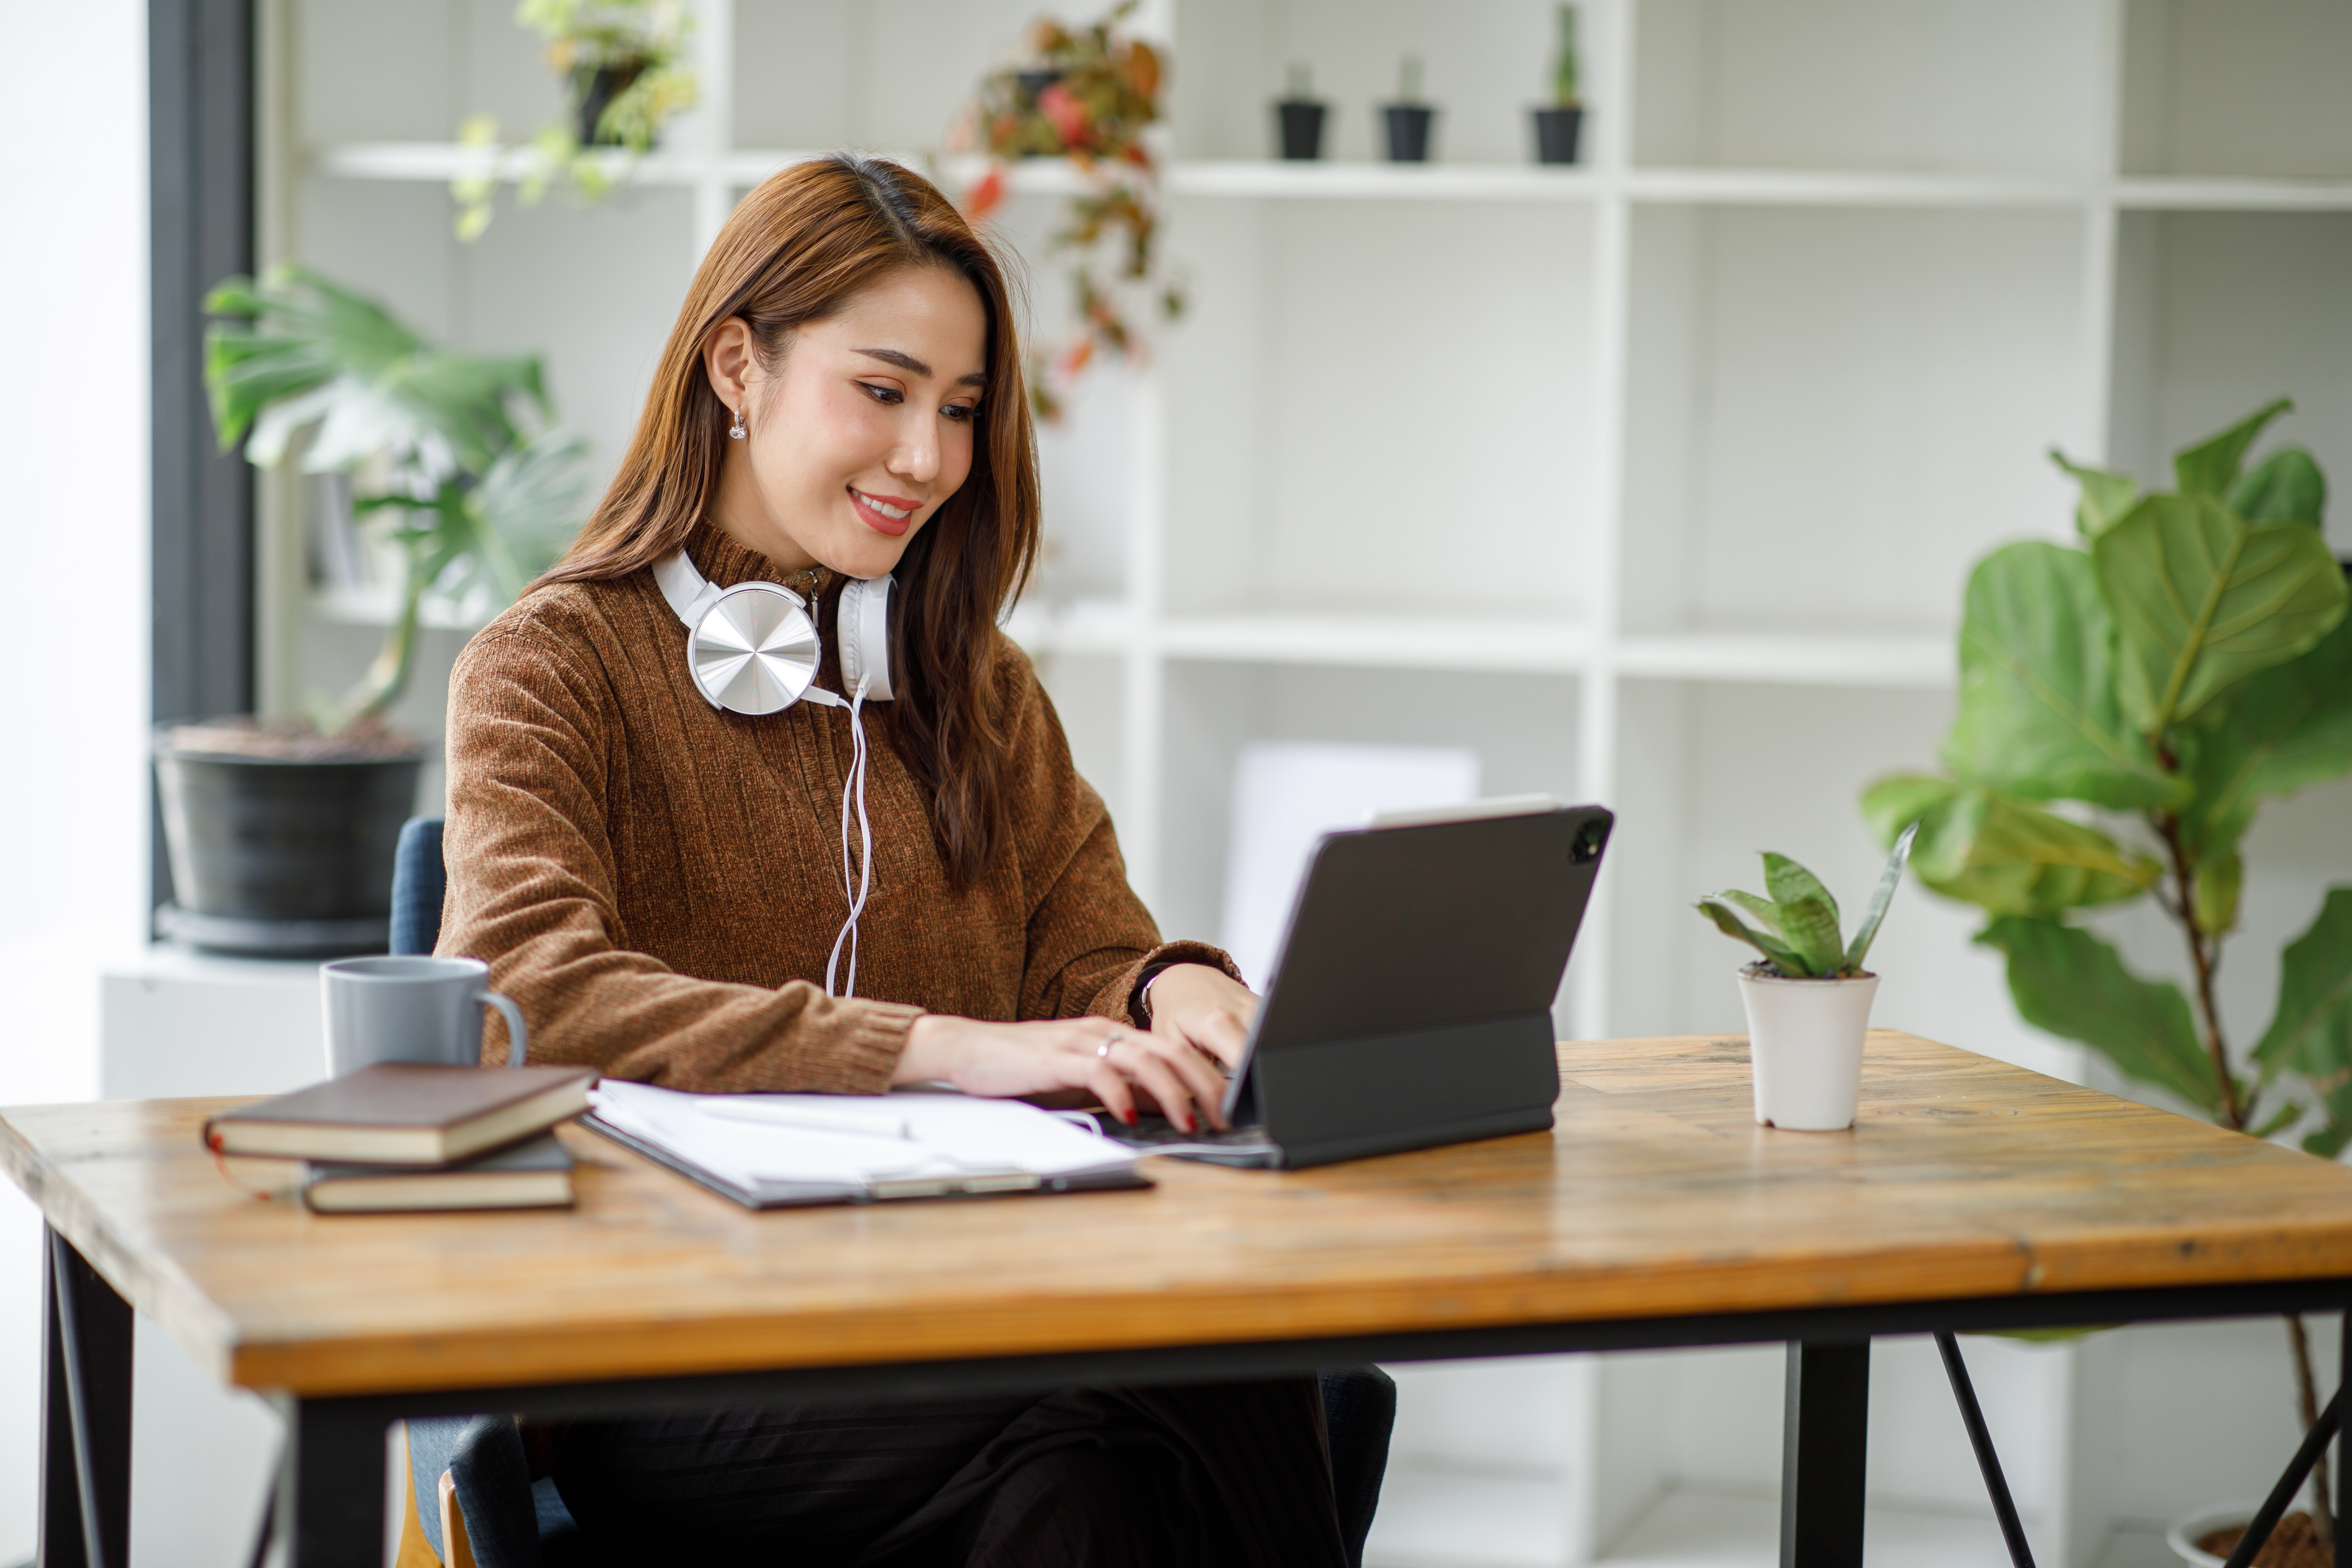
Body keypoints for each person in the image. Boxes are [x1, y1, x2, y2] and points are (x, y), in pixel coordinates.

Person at [436, 154, 1351, 1567]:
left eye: (965, 408)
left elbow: (1092, 949)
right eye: (883, 390)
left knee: (1093, 1472)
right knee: (1165, 1375)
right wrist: (938, 1049)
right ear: (736, 367)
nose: (928, 456)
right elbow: (522, 993)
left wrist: (1174, 992)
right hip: (673, 1360)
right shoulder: (555, 666)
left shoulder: (970, 686)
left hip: (976, 1301)